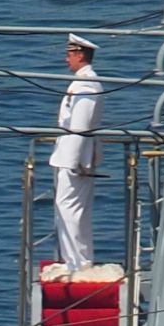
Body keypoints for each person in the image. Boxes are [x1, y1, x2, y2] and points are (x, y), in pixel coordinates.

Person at [51, 35, 103, 273]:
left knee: (68, 209)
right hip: (77, 157)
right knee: (76, 210)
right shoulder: (86, 82)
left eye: (69, 55)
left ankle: (75, 262)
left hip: (74, 159)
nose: (66, 59)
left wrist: (72, 162)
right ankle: (79, 259)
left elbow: (79, 126)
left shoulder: (85, 85)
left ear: (80, 55)